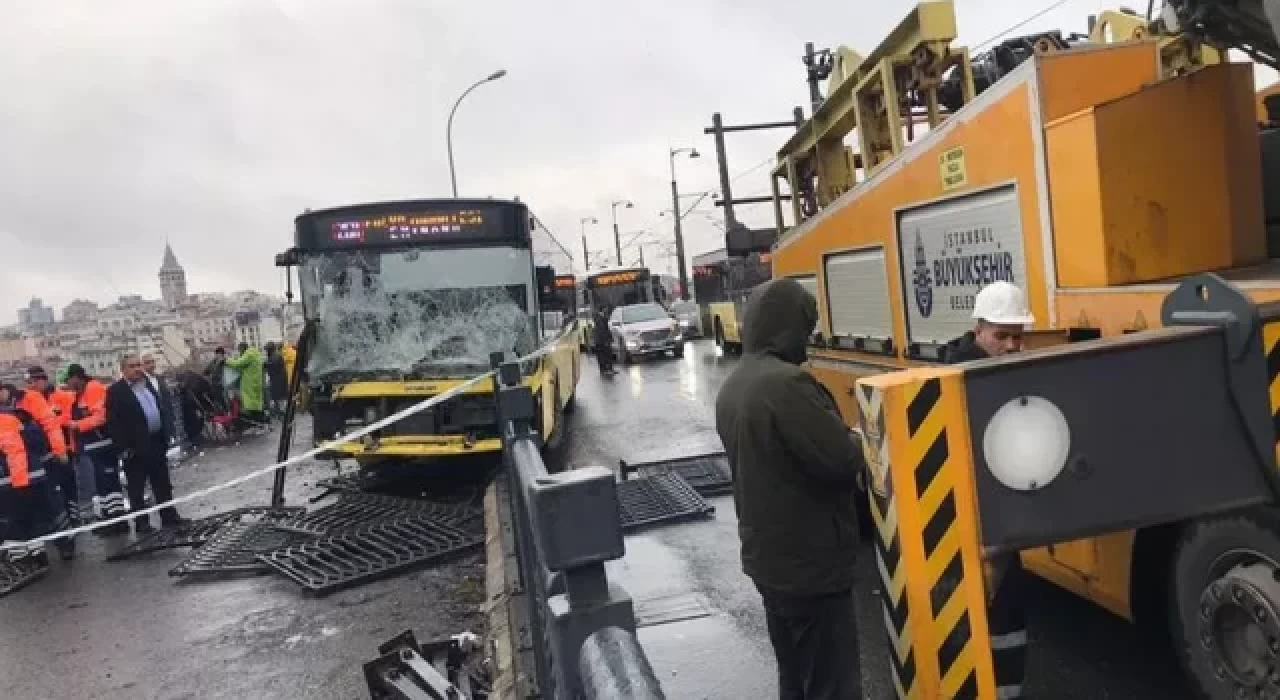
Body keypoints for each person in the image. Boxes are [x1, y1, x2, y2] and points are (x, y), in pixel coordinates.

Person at [714, 278, 866, 700]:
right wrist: (856, 437)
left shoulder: (735, 384)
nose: (809, 336)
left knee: (795, 677)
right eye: (805, 326)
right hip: (810, 566)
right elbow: (840, 459)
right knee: (831, 683)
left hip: (770, 562)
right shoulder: (787, 386)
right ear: (786, 327)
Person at [944, 280, 1034, 700]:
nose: (1012, 345)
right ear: (978, 330)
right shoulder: (953, 381)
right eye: (1002, 336)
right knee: (973, 632)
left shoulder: (1007, 375)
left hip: (1004, 531)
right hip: (971, 535)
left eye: (1018, 336)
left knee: (1009, 628)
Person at [106, 354, 189, 534]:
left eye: (138, 365)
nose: (137, 369)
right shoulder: (116, 391)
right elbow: (113, 423)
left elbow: (158, 408)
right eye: (132, 366)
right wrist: (124, 448)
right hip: (135, 448)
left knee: (162, 482)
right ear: (123, 370)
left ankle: (169, 516)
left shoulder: (147, 384)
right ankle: (142, 523)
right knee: (137, 488)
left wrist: (167, 434)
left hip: (156, 441)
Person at [0, 389, 75, 562]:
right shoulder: (17, 414)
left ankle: (53, 548)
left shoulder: (16, 412)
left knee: (40, 512)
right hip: (27, 473)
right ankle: (40, 553)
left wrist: (21, 484)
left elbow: (16, 451)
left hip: (26, 475)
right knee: (35, 514)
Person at [65, 363, 129, 535]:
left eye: (69, 381)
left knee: (110, 483)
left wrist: (77, 425)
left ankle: (118, 520)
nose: (68, 386)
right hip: (94, 446)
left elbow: (101, 417)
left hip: (104, 444)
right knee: (102, 485)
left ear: (76, 377)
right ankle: (108, 518)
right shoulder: (81, 393)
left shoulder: (93, 389)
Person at [225, 342, 264, 429]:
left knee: (252, 404)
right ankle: (258, 423)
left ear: (243, 348)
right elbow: (241, 366)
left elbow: (238, 363)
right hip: (254, 381)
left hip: (250, 382)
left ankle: (257, 424)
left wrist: (227, 360)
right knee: (254, 403)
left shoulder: (249, 355)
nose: (239, 352)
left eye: (239, 350)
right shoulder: (253, 353)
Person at [264, 343, 287, 419]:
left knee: (279, 397)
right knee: (276, 397)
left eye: (267, 350)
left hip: (279, 379)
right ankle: (278, 412)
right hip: (276, 379)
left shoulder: (276, 356)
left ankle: (281, 412)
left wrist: (265, 364)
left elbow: (273, 363)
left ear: (270, 349)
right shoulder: (273, 355)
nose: (266, 351)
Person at [592, 305, 616, 375]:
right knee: (604, 355)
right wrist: (605, 340)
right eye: (606, 309)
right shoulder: (599, 318)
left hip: (601, 339)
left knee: (606, 354)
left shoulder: (601, 317)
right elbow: (602, 330)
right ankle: (605, 369)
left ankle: (608, 369)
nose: (607, 310)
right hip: (601, 340)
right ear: (603, 309)